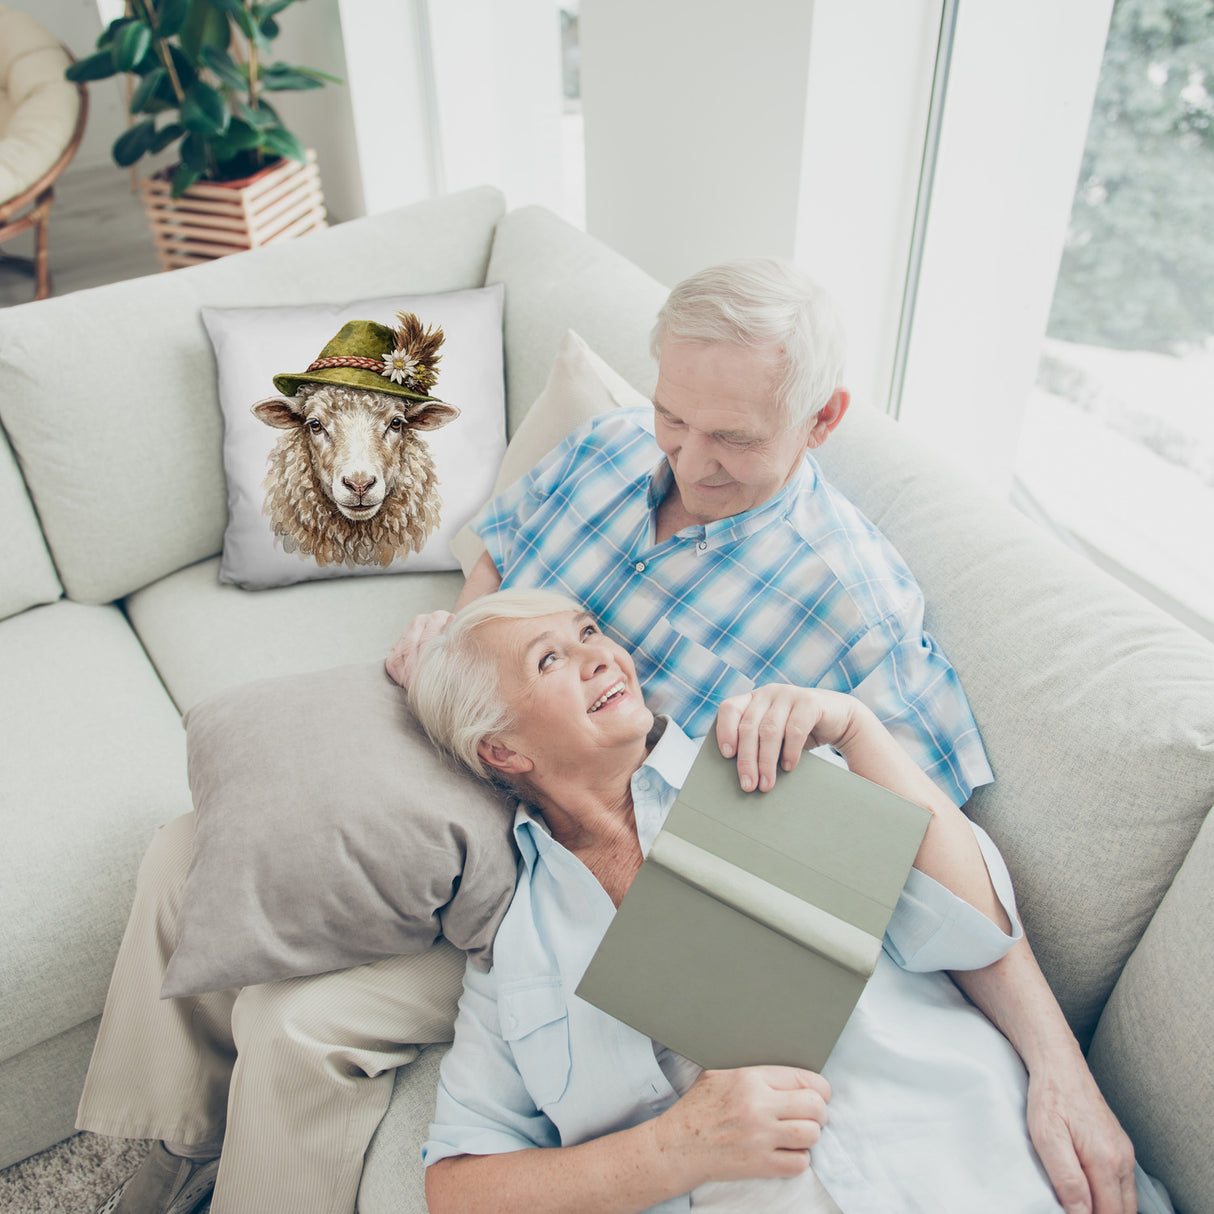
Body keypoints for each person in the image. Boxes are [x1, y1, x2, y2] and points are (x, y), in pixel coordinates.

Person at [79, 260, 1131, 1214]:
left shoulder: (853, 607)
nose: (687, 457)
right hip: (486, 745)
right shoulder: (608, 447)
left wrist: (1057, 1063)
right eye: (674, 415)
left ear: (820, 421)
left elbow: (927, 856)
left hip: (576, 851)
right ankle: (158, 1150)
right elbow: (497, 561)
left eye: (732, 438)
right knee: (192, 846)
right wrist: (457, 641)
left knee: (300, 1023)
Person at [407, 588, 1161, 1214]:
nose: (601, 654)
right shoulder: (517, 951)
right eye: (551, 659)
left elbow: (973, 929)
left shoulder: (761, 762)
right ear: (502, 750)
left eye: (589, 632)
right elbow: (458, 1188)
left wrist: (859, 731)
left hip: (985, 1167)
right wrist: (674, 1149)